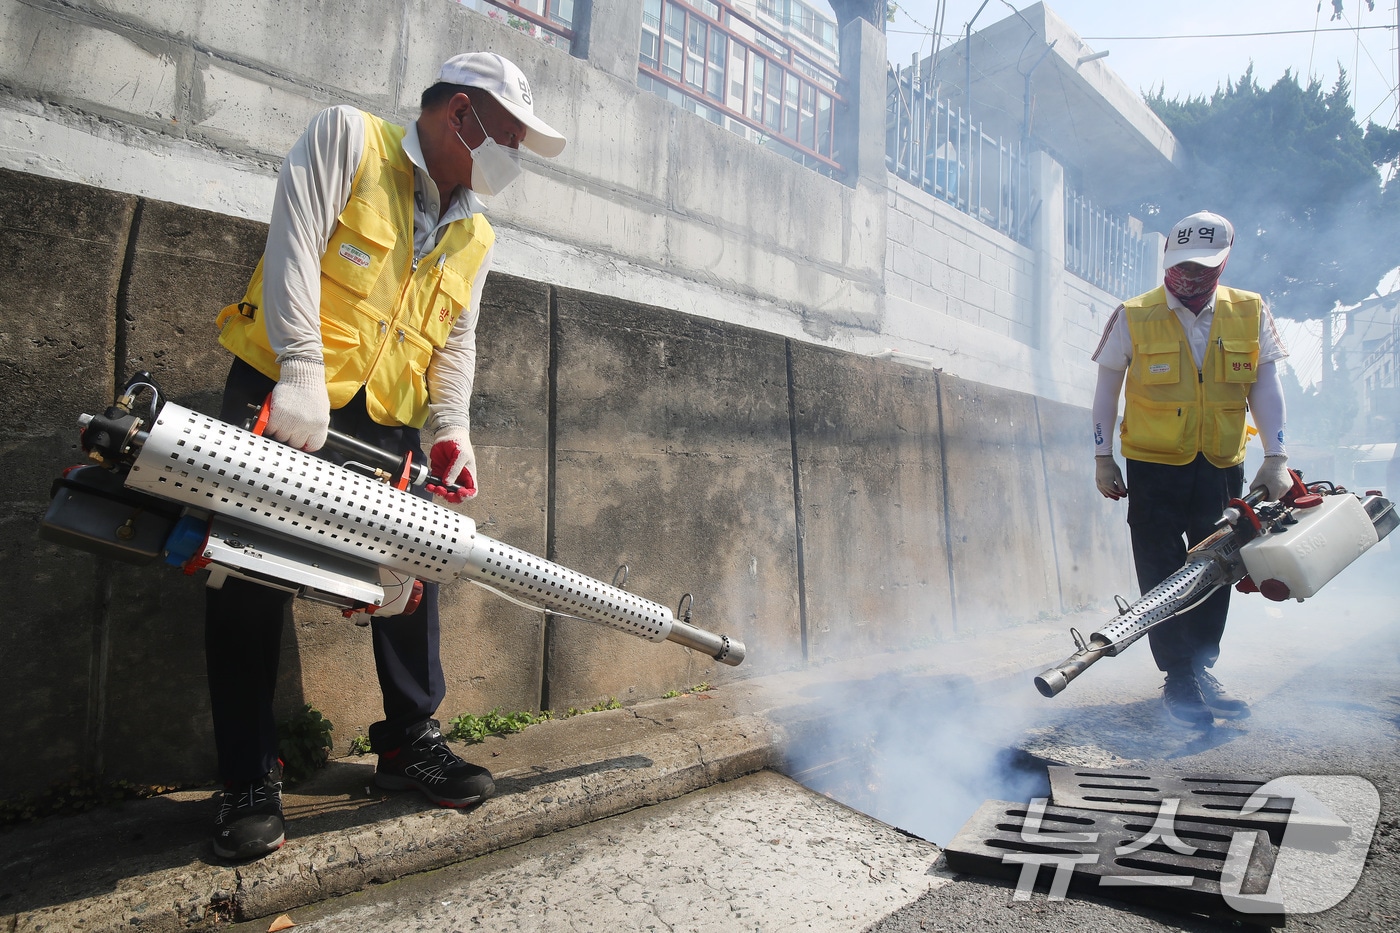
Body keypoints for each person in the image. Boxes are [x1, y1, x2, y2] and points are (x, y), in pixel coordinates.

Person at [205, 52, 566, 860]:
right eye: (507, 133)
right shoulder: (350, 140)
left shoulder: (473, 228)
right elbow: (293, 238)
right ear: (460, 114)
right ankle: (246, 778)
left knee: (412, 575)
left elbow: (456, 339)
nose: (511, 152)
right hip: (286, 388)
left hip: (386, 421)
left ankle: (408, 742)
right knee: (246, 573)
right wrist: (299, 366)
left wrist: (450, 429)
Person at [1090, 210, 1290, 727]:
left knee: (1219, 569)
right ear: (1166, 260)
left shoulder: (1251, 311)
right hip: (1154, 469)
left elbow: (1264, 387)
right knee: (1160, 573)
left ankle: (1202, 668)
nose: (1188, 279)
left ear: (1224, 263)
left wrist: (1276, 456)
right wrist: (1102, 456)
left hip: (1223, 463)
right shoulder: (1134, 314)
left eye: (1202, 268)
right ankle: (1177, 676)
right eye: (1180, 267)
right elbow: (1107, 389)